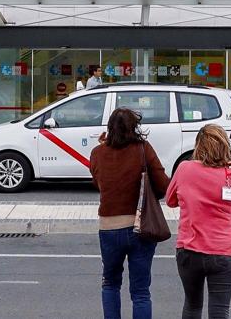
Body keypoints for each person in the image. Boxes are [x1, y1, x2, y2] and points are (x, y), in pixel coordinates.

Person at [165, 124, 231, 319]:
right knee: (219, 310)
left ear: (199, 146)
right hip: (222, 253)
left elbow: (170, 201)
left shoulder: (184, 169)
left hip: (189, 251)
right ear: (225, 146)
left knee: (192, 305)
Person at [89, 107, 169, 319]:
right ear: (135, 127)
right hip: (140, 226)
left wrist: (103, 147)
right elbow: (163, 186)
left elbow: (98, 181)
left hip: (108, 228)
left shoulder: (98, 153)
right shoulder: (143, 149)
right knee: (141, 292)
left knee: (110, 283)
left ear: (109, 128)